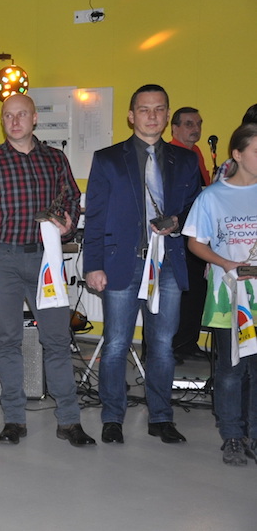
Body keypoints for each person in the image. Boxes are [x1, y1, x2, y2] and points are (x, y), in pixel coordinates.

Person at [0, 93, 94, 447]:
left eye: (21, 114)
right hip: (1, 259)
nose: (15, 121)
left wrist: (68, 223)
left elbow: (72, 199)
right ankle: (14, 420)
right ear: (2, 121)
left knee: (57, 340)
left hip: (45, 260)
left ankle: (69, 421)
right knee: (8, 340)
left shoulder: (55, 159)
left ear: (35, 118)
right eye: (8, 116)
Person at [85, 84, 202, 445]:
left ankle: (161, 417)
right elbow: (96, 216)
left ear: (167, 116)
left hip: (168, 265)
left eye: (159, 109)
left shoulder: (185, 161)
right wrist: (93, 265)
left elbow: (196, 208)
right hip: (123, 263)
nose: (152, 116)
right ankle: (112, 417)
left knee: (163, 345)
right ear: (131, 115)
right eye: (144, 109)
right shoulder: (107, 159)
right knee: (116, 343)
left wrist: (178, 221)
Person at [182, 122, 257, 466]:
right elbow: (195, 243)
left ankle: (253, 434)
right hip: (230, 295)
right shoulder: (212, 197)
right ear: (237, 154)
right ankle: (232, 436)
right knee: (231, 368)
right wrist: (226, 263)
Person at [170, 107, 210, 362]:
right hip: (179, 232)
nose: (195, 129)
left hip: (197, 229)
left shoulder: (196, 153)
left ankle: (187, 342)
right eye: (188, 124)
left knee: (196, 289)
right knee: (178, 292)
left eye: (198, 124)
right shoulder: (172, 155)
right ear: (174, 128)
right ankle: (172, 345)